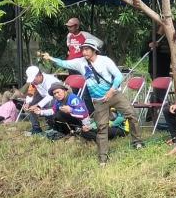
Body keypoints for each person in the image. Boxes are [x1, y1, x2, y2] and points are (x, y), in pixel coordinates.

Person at [40, 39, 143, 167]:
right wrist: (50, 58)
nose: (84, 52)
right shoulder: (80, 63)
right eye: (83, 49)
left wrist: (111, 91)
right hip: (98, 100)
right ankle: (103, 158)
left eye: (87, 49)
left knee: (131, 114)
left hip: (114, 94)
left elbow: (118, 76)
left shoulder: (105, 60)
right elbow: (65, 63)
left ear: (94, 50)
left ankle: (137, 141)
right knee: (102, 127)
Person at [31, 82, 96, 140]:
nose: (56, 95)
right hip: (72, 120)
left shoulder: (73, 98)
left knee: (60, 114)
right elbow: (53, 111)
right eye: (54, 94)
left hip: (83, 122)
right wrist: (40, 112)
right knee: (54, 116)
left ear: (64, 90)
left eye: (58, 92)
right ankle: (68, 132)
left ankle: (79, 132)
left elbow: (83, 113)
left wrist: (71, 110)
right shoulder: (57, 101)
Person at [23, 66, 61, 134]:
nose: (33, 82)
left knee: (48, 105)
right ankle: (36, 128)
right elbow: (30, 93)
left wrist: (38, 105)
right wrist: (27, 103)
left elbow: (50, 96)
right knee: (30, 106)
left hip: (55, 97)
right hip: (43, 95)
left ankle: (53, 125)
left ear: (39, 75)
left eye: (34, 80)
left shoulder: (50, 80)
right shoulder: (33, 82)